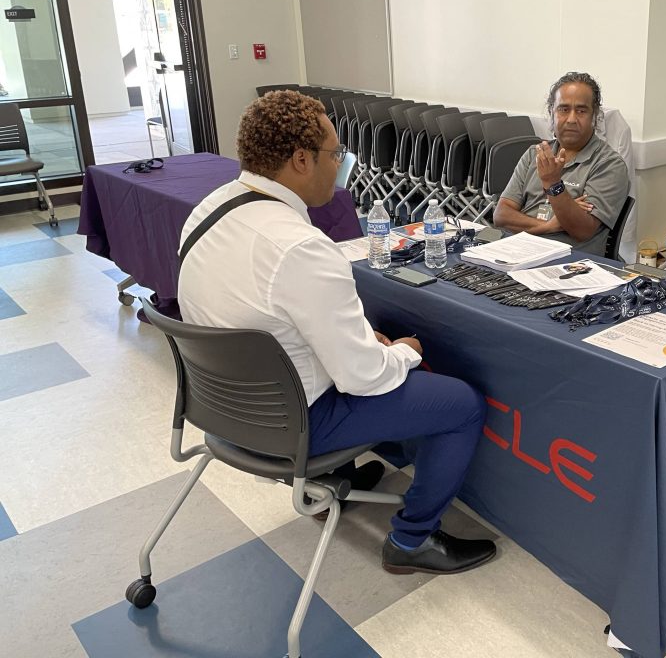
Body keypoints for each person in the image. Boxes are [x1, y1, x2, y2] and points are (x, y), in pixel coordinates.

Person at [177, 90, 495, 575]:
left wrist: (362, 341)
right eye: (336, 154)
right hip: (290, 425)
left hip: (222, 410)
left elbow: (272, 318)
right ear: (302, 160)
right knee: (461, 405)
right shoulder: (301, 247)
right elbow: (365, 379)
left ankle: (331, 483)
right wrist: (406, 352)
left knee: (351, 351)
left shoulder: (206, 212)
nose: (341, 165)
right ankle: (412, 540)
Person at [493, 71, 629, 255]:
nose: (572, 119)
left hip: (569, 264)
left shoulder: (609, 164)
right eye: (564, 109)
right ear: (552, 112)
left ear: (594, 115)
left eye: (581, 111)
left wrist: (553, 184)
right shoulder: (534, 154)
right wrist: (550, 225)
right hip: (515, 252)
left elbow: (582, 230)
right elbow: (501, 216)